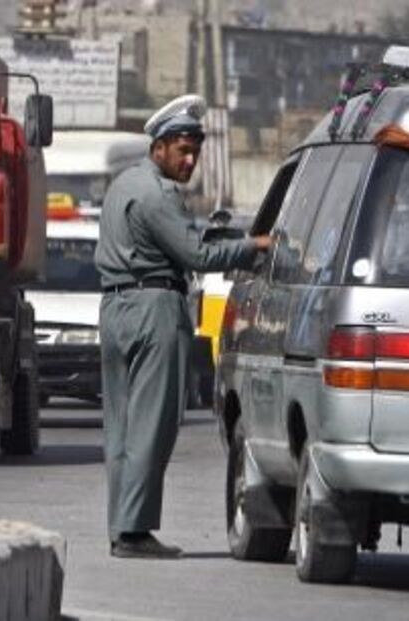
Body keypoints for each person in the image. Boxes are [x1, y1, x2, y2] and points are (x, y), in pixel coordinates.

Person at [95, 94, 273, 559]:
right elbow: (197, 256)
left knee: (123, 426)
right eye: (181, 150)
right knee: (153, 425)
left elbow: (176, 239)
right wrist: (252, 247)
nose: (190, 159)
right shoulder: (160, 194)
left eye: (195, 150)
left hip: (116, 308)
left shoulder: (124, 183)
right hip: (153, 308)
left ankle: (121, 526)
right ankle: (133, 532)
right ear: (158, 148)